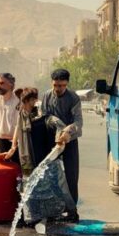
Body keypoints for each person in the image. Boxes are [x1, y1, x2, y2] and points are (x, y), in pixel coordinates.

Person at [42, 69, 82, 206]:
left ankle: (72, 208)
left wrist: (67, 130)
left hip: (69, 140)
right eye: (55, 85)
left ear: (67, 84)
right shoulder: (47, 96)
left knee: (71, 175)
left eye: (61, 86)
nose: (58, 89)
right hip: (51, 141)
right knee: (51, 174)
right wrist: (56, 124)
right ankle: (53, 206)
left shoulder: (73, 98)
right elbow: (44, 117)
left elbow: (78, 122)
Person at [7, 87, 68, 176]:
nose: (23, 105)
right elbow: (18, 126)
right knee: (27, 178)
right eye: (23, 102)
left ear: (33, 100)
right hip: (25, 153)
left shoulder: (42, 115)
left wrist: (62, 135)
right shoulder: (23, 113)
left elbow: (57, 123)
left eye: (25, 102)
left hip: (40, 151)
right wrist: (13, 146)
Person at [0, 73, 20, 158]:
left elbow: (18, 125)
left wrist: (14, 146)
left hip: (14, 142)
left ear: (11, 84)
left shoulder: (18, 101)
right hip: (0, 140)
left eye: (2, 83)